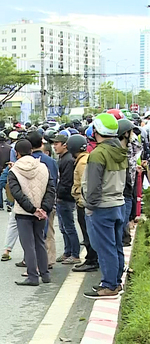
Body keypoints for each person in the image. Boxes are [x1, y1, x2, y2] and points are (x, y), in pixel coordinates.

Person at [82, 113, 128, 299]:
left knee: (105, 247)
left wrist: (90, 207)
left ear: (97, 130)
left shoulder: (98, 154)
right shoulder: (121, 150)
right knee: (116, 245)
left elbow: (93, 185)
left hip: (102, 206)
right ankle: (115, 281)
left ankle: (109, 286)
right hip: (119, 203)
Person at [8, 139, 56, 286]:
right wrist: (43, 208)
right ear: (31, 151)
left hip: (24, 213)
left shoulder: (14, 171)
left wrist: (32, 209)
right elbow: (50, 189)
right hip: (42, 213)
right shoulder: (43, 167)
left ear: (17, 153)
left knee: (28, 245)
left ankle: (33, 277)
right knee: (40, 242)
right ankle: (45, 274)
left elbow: (17, 194)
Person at [67, 134, 99, 272]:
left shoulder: (82, 163)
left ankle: (91, 260)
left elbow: (85, 185)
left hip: (83, 204)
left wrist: (81, 202)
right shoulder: (83, 159)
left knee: (88, 234)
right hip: (83, 202)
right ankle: (91, 258)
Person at [27, 131, 59, 268]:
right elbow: (55, 180)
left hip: (30, 202)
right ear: (41, 143)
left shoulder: (25, 161)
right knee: (49, 230)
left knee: (31, 233)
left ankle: (34, 261)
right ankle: (49, 259)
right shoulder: (51, 161)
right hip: (48, 201)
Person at [52, 132, 81, 265]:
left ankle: (75, 254)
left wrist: (59, 195)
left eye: (56, 144)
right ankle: (67, 251)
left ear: (65, 145)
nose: (54, 146)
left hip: (66, 198)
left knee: (69, 227)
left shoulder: (68, 160)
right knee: (63, 227)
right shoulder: (62, 158)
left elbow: (67, 182)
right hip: (62, 197)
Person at [117, 119, 140, 248]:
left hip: (127, 188)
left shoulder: (131, 147)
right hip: (119, 189)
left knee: (122, 222)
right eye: (130, 132)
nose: (133, 134)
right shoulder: (117, 150)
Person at [0, 132, 12, 210]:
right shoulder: (9, 148)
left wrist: (0, 168)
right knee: (9, 187)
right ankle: (9, 203)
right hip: (8, 169)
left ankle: (0, 205)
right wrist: (7, 167)